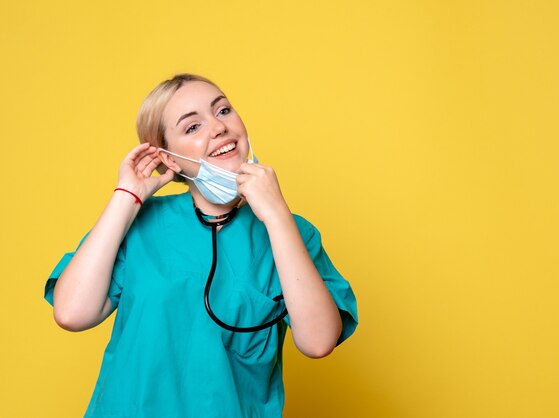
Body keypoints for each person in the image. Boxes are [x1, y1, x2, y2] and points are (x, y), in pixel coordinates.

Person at [44, 73, 358, 417]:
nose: (218, 127)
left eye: (223, 111)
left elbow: (318, 341)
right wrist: (126, 197)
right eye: (192, 127)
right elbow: (72, 313)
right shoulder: (139, 225)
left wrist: (277, 215)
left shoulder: (292, 233)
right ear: (170, 160)